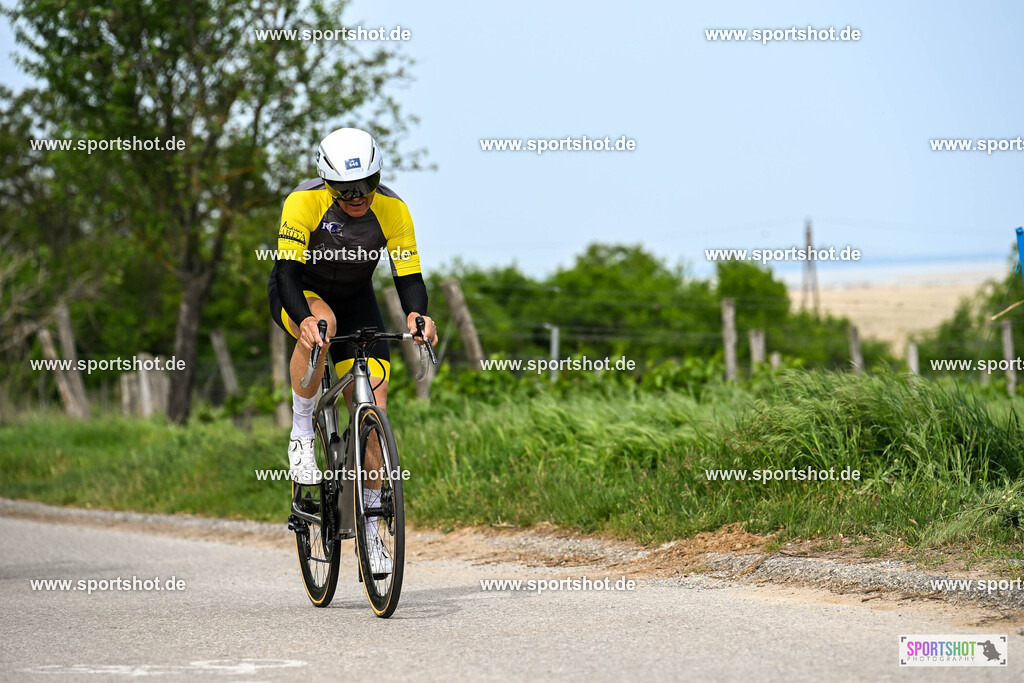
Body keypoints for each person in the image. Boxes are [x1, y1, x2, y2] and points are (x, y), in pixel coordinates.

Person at [268, 127, 437, 574]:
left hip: (357, 297)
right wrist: (303, 318)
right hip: (303, 292)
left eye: (367, 184)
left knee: (374, 406)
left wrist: (417, 315)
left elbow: (408, 277)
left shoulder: (393, 209)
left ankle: (370, 526)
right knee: (325, 327)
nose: (359, 195)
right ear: (327, 182)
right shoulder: (303, 202)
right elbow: (286, 273)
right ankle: (302, 431)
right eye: (346, 189)